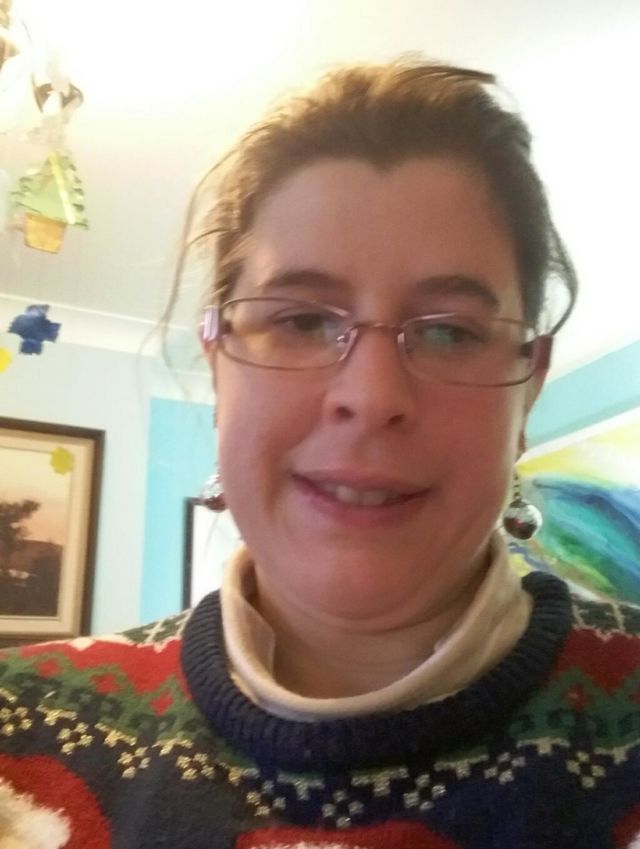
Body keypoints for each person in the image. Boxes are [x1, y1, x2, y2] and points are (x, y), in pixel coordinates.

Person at [1, 60, 639, 849]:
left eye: (449, 331)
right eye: (302, 321)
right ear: (219, 362)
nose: (371, 396)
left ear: (529, 389)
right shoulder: (18, 728)